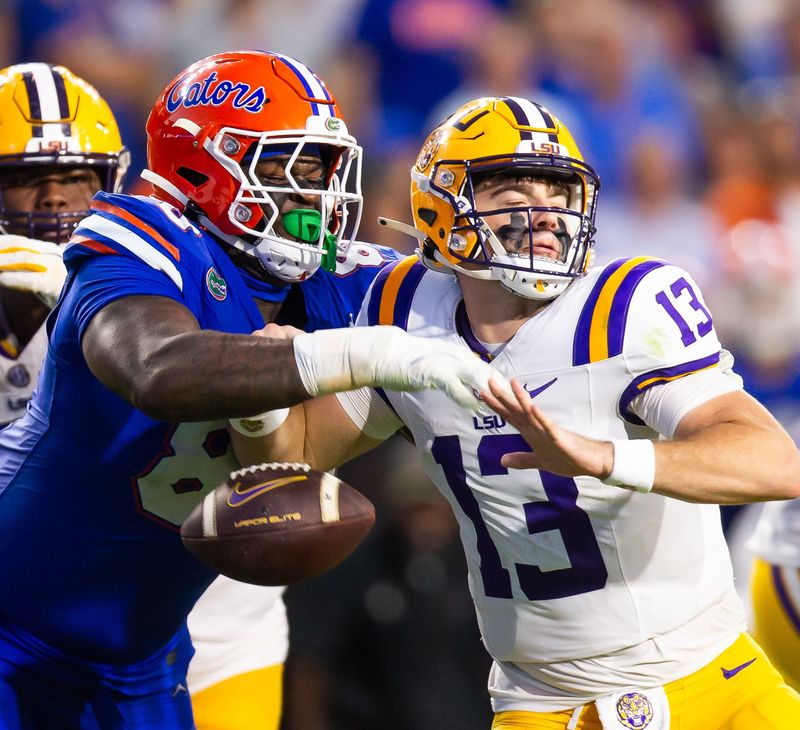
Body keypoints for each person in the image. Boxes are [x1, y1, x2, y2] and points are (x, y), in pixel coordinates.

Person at [236, 96, 800, 729]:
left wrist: (602, 457)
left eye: (558, 191)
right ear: (443, 208)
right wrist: (264, 392)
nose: (546, 212)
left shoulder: (620, 308)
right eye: (513, 192)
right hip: (541, 703)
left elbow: (775, 463)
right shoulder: (405, 309)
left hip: (711, 682)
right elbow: (294, 457)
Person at [0, 52, 497, 729]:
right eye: (286, 167)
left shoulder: (340, 280)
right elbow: (156, 368)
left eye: (322, 170)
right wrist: (364, 352)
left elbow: (486, 319)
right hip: (14, 627)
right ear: (203, 166)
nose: (314, 195)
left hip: (142, 659)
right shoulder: (139, 238)